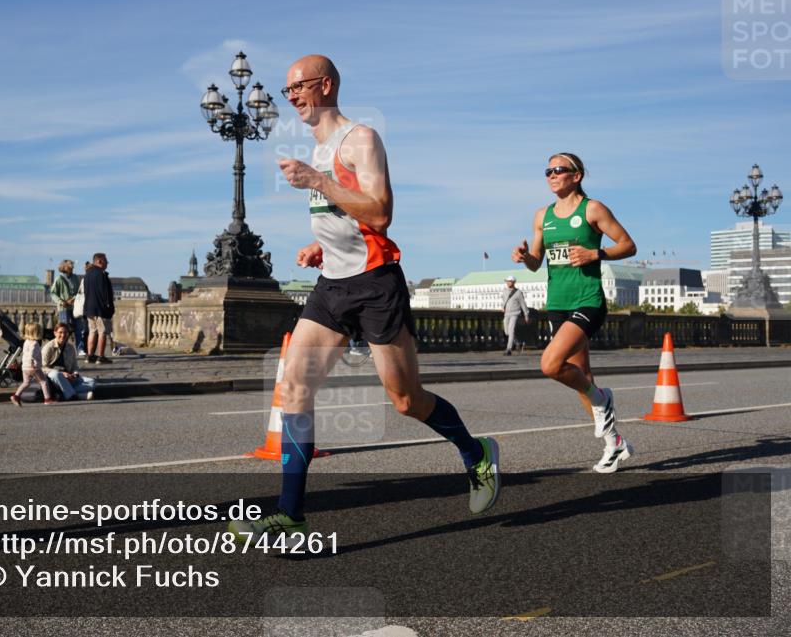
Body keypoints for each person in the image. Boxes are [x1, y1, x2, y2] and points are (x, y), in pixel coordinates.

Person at [229, 55, 500, 543]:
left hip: (377, 284)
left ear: (326, 85)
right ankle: (290, 517)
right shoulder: (317, 147)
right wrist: (322, 245)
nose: (291, 98)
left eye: (299, 88)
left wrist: (318, 181)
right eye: (287, 90)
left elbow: (380, 214)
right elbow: (346, 219)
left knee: (405, 400)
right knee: (292, 388)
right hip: (333, 286)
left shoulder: (360, 140)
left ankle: (476, 453)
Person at [512, 152, 637, 473]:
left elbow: (627, 244)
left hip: (588, 300)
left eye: (559, 170)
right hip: (558, 302)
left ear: (576, 175)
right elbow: (537, 261)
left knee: (550, 364)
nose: (552, 175)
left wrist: (596, 252)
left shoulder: (592, 209)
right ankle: (614, 443)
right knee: (584, 377)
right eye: (548, 171)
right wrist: (525, 256)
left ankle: (603, 401)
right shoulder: (543, 215)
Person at [42, 322, 96, 400]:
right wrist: (62, 374)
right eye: (60, 332)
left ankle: (63, 394)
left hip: (69, 378)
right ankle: (75, 396)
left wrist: (75, 374)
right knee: (56, 374)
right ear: (55, 333)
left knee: (92, 382)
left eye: (65, 333)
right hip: (54, 379)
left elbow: (75, 366)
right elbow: (42, 368)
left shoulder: (70, 348)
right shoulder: (48, 348)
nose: (63, 335)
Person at [10, 322, 54, 406]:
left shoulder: (26, 342)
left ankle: (16, 396)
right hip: (34, 367)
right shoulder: (35, 344)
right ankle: (47, 399)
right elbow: (31, 355)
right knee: (43, 381)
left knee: (26, 382)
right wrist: (33, 364)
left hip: (25, 367)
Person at [83, 252, 114, 364]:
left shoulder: (87, 274)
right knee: (102, 332)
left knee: (92, 331)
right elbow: (105, 294)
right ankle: (101, 356)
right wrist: (109, 309)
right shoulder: (101, 274)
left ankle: (90, 355)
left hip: (89, 308)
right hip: (100, 309)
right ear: (99, 261)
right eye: (106, 260)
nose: (107, 263)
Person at [51, 259, 84, 349]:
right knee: (64, 329)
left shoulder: (75, 278)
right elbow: (53, 293)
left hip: (75, 307)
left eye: (72, 267)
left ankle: (80, 348)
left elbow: (79, 291)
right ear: (65, 267)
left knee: (79, 328)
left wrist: (74, 299)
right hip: (63, 308)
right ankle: (63, 347)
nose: (72, 268)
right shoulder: (59, 279)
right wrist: (62, 302)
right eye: (70, 267)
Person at [501, 275, 530, 355]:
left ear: (513, 282)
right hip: (507, 314)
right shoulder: (504, 291)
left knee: (511, 330)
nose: (507, 283)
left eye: (509, 281)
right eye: (507, 281)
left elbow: (523, 304)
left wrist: (526, 315)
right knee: (507, 332)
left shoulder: (518, 293)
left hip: (515, 313)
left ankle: (509, 349)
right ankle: (517, 342)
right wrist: (503, 307)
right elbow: (504, 301)